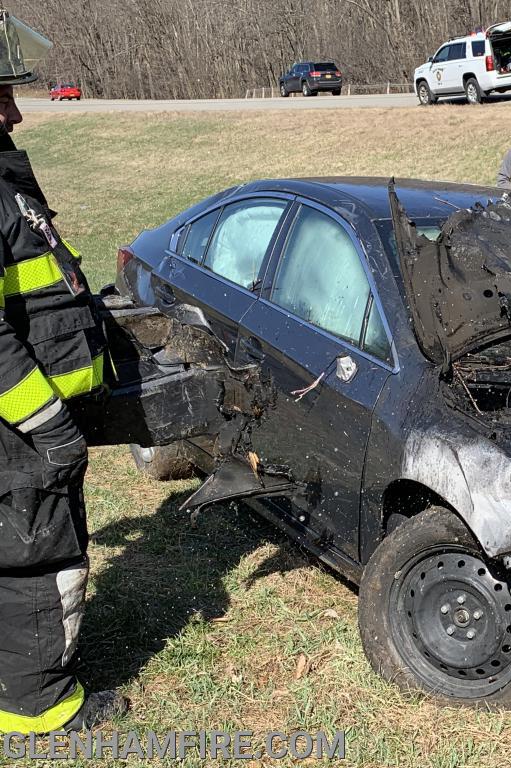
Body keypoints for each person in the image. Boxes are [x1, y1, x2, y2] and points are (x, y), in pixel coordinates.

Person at [0, 11, 126, 732]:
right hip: (18, 426)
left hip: (25, 416)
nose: (16, 110)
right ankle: (39, 708)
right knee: (35, 550)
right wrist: (47, 423)